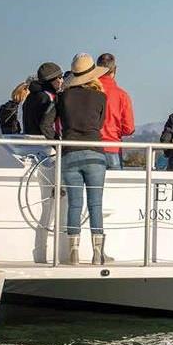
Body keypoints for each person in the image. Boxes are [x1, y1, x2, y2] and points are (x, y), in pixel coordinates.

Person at [56, 53, 110, 264]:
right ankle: (97, 254)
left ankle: (74, 253)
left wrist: (57, 141)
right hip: (95, 152)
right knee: (95, 204)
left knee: (74, 204)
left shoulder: (63, 97)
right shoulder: (101, 97)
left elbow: (50, 122)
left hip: (70, 151)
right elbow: (101, 123)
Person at [96, 53, 135, 169]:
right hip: (113, 147)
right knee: (113, 186)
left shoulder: (89, 92)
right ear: (115, 70)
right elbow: (129, 128)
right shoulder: (122, 95)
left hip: (91, 146)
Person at [22, 62, 63, 138]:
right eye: (60, 77)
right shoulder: (49, 97)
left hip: (32, 143)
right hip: (46, 144)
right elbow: (46, 125)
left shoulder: (30, 96)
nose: (61, 81)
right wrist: (56, 142)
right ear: (52, 80)